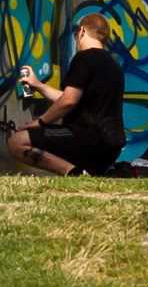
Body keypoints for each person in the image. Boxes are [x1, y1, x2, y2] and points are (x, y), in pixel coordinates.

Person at [7, 13, 126, 176]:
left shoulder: (84, 58)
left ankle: (73, 173)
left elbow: (69, 101)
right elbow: (71, 98)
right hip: (111, 147)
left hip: (85, 137)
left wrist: (41, 122)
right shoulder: (114, 66)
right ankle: (84, 172)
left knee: (17, 141)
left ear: (82, 31)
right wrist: (38, 85)